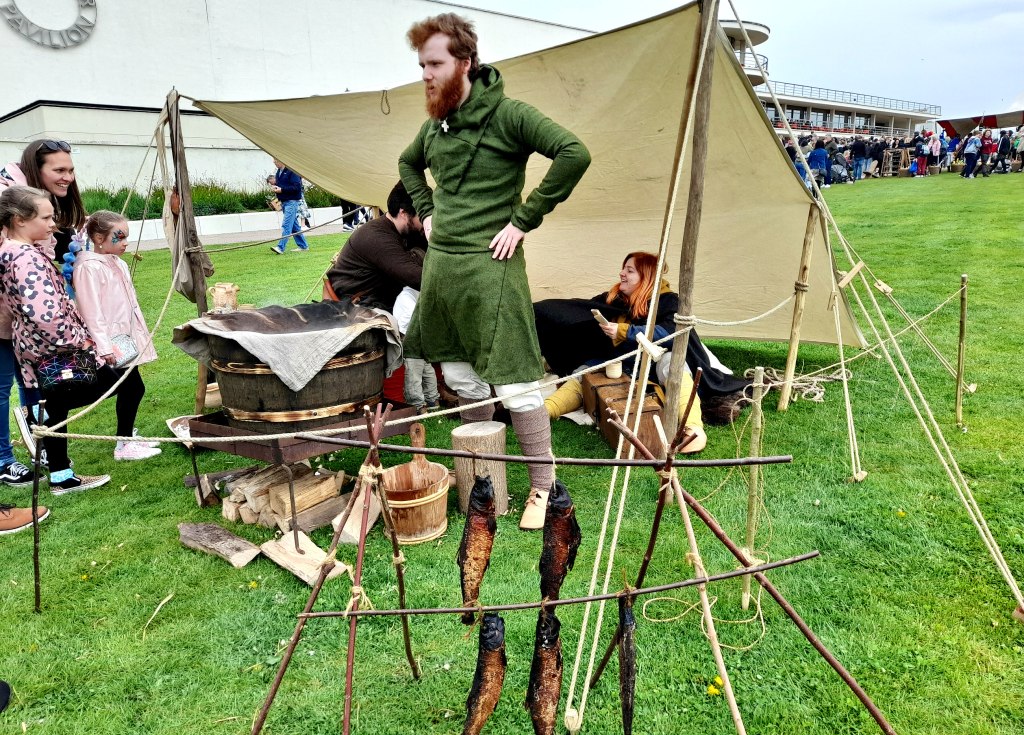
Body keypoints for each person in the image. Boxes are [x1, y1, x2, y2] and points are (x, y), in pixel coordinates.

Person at [398, 12, 591, 530]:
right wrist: (427, 210)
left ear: (465, 62)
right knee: (463, 379)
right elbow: (407, 164)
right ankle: (483, 482)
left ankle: (545, 488)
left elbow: (574, 153)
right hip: (443, 271)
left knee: (516, 385)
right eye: (422, 65)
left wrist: (523, 220)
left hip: (493, 269)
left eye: (435, 64)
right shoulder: (434, 125)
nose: (426, 74)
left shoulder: (510, 115)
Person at [0, 186, 121, 494]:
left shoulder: (13, 250)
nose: (53, 224)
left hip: (35, 346)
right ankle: (35, 418)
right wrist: (79, 341)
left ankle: (60, 475)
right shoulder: (25, 258)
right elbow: (45, 316)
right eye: (45, 217)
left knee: (55, 404)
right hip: (54, 348)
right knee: (113, 381)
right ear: (19, 220)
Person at [72, 211, 161, 461]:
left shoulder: (117, 263)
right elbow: (90, 311)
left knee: (131, 387)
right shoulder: (88, 268)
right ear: (99, 238)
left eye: (126, 237)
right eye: (119, 237)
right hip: (109, 343)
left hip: (124, 340)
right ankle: (123, 444)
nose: (125, 243)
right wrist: (104, 346)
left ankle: (127, 436)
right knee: (131, 387)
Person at [325, 181, 425, 311]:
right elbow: (416, 278)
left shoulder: (408, 231)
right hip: (356, 307)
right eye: (422, 215)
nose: (426, 221)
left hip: (379, 300)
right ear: (403, 214)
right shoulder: (377, 236)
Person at [269, 158, 309, 254]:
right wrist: (276, 188)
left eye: (276, 160)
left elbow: (297, 187)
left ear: (282, 160)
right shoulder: (279, 172)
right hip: (284, 202)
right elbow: (282, 185)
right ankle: (303, 246)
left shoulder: (292, 171)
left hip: (292, 202)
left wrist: (282, 190)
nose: (274, 162)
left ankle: (280, 247)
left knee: (287, 224)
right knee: (294, 226)